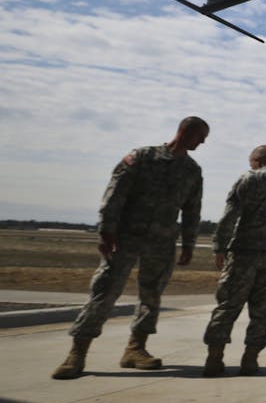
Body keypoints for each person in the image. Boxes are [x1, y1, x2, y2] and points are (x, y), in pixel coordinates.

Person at [51, 116, 208, 379]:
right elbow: (115, 193)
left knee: (152, 295)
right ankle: (76, 354)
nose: (203, 142)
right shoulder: (142, 157)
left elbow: (192, 210)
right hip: (125, 237)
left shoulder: (192, 170)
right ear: (184, 132)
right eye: (200, 136)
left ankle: (136, 349)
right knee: (104, 292)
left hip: (162, 241)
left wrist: (188, 243)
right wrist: (106, 229)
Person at [201, 144, 266, 377]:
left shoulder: (249, 179)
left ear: (257, 161)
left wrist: (220, 246)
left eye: (251, 161)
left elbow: (230, 216)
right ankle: (250, 359)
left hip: (244, 253)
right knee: (263, 309)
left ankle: (214, 358)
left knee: (228, 305)